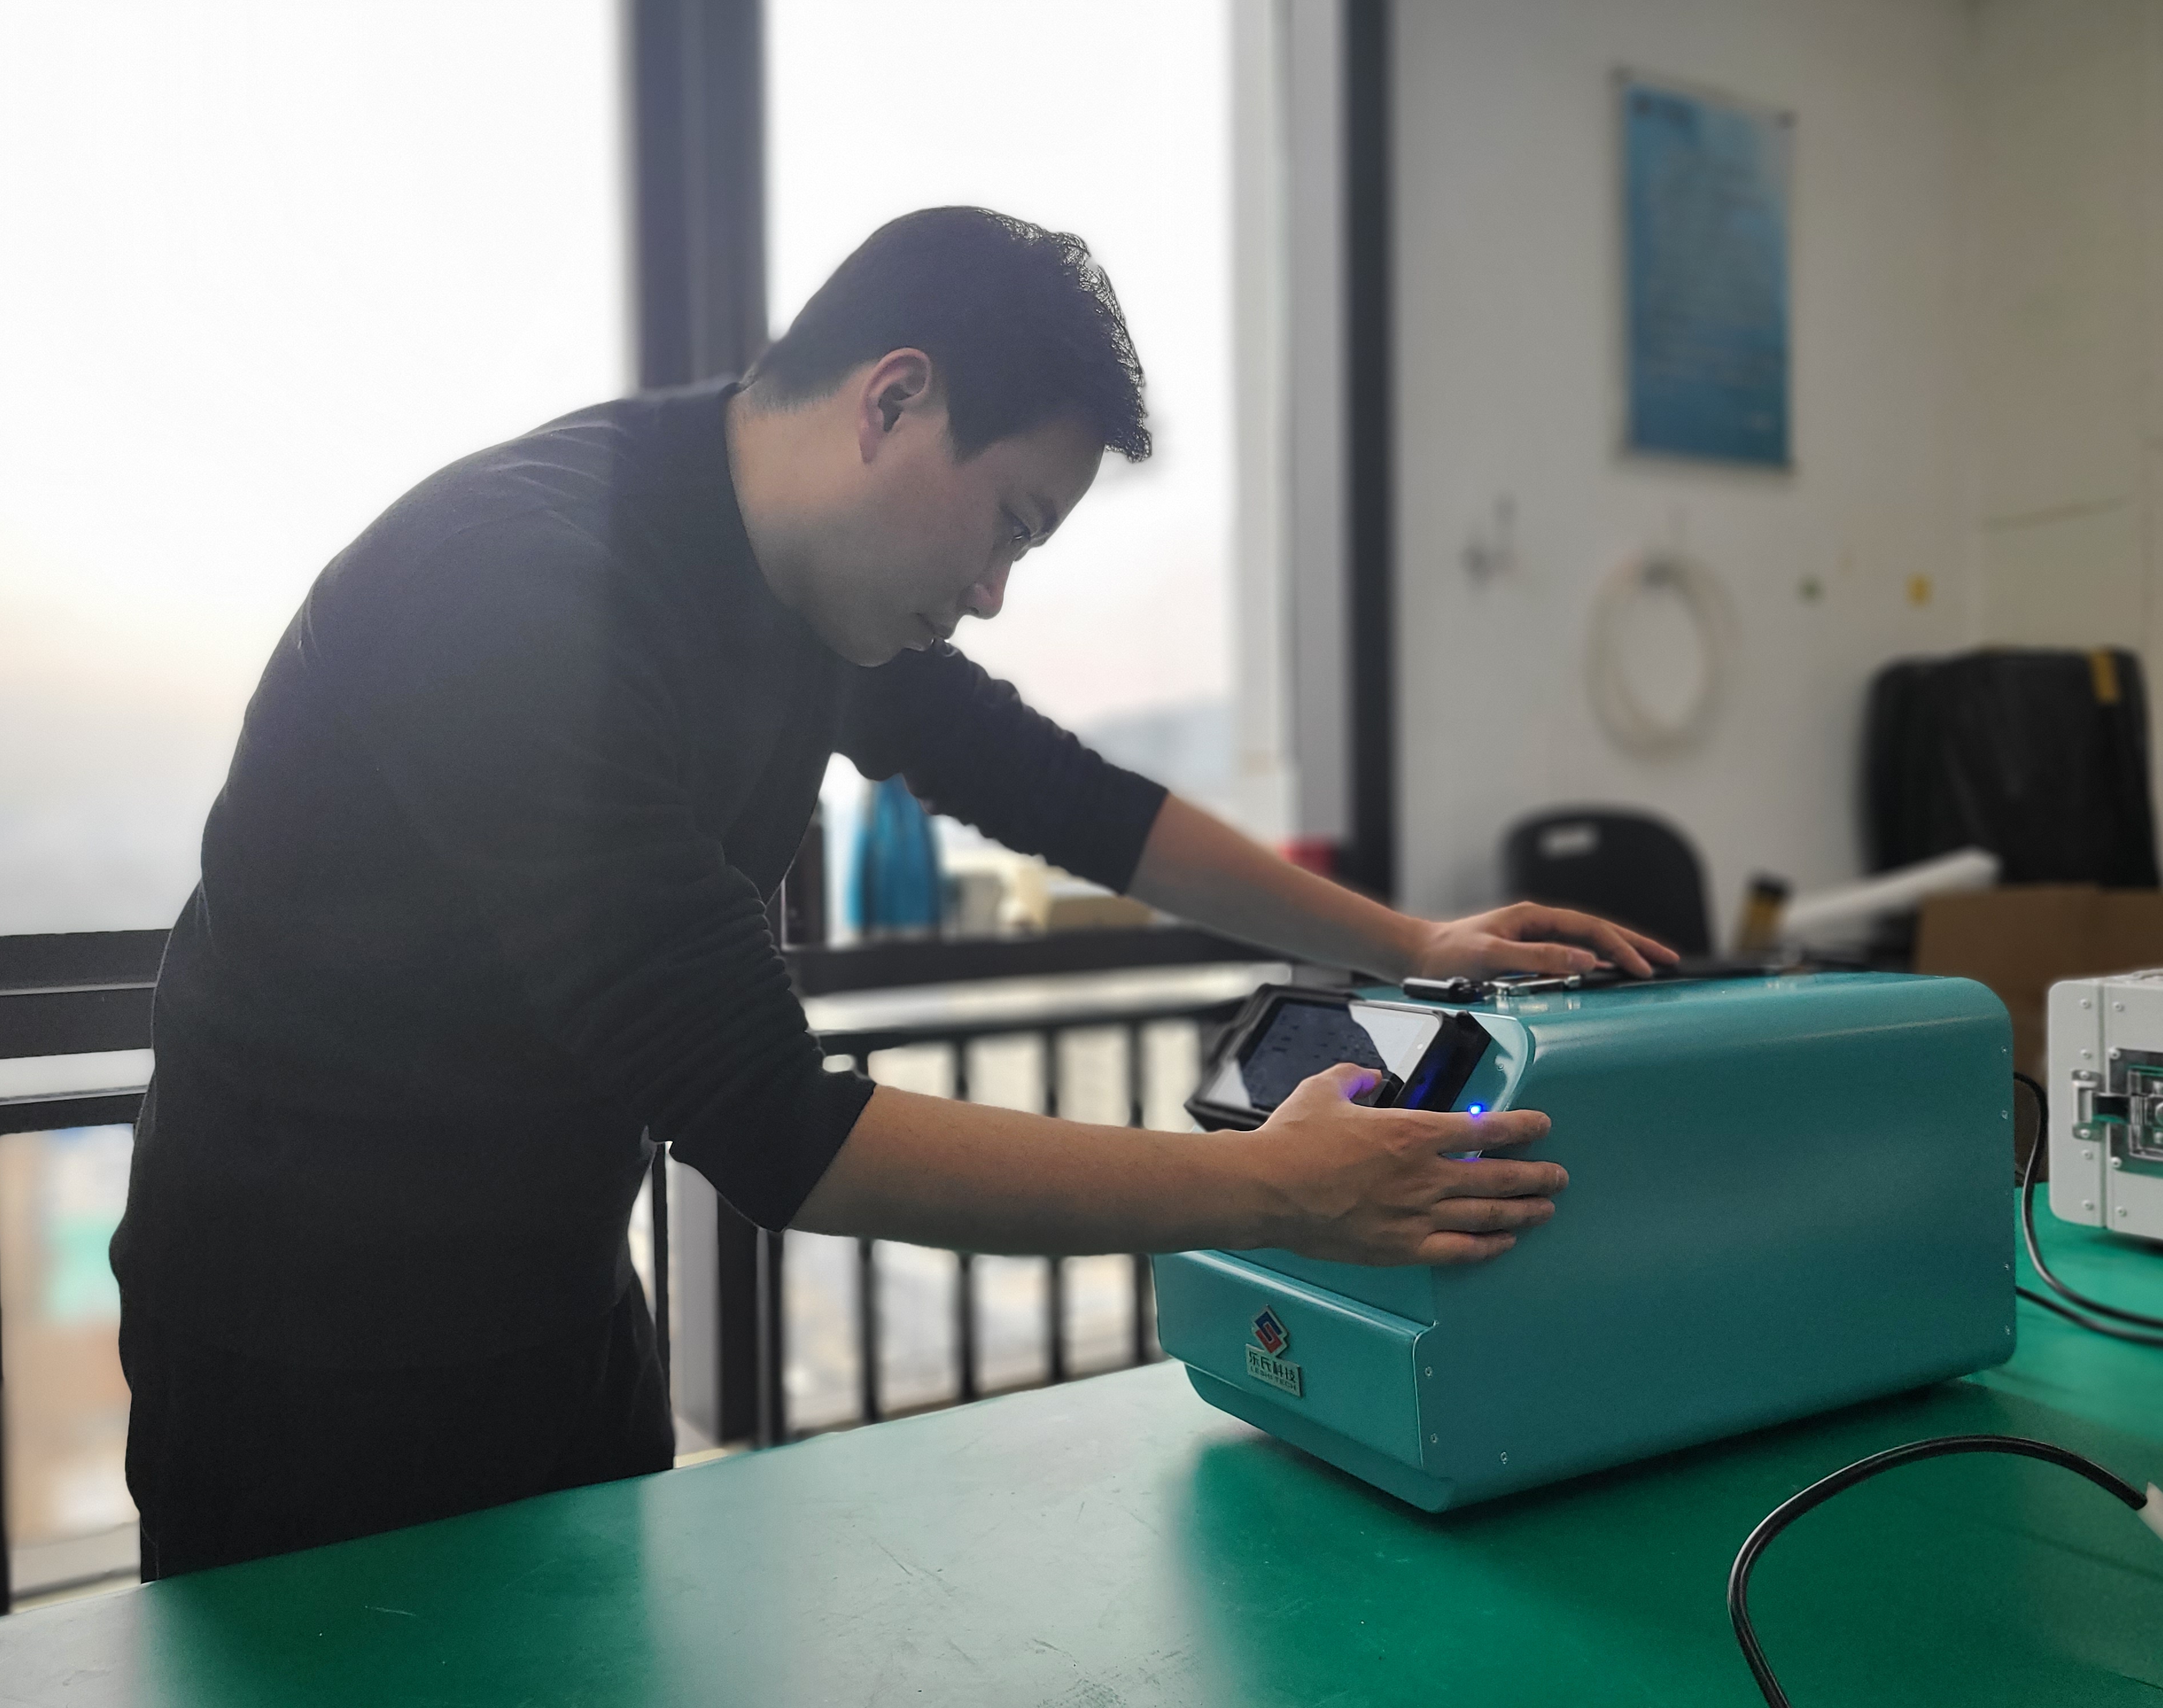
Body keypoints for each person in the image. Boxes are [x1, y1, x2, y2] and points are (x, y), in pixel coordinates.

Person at [111, 206, 1671, 1579]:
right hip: (298, 1346)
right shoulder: (515, 594)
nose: (994, 591)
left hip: (556, 1300)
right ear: (894, 399)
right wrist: (1279, 1192)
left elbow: (1063, 796)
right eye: (1010, 525)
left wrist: (1413, 941)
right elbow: (780, 1132)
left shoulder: (802, 575)